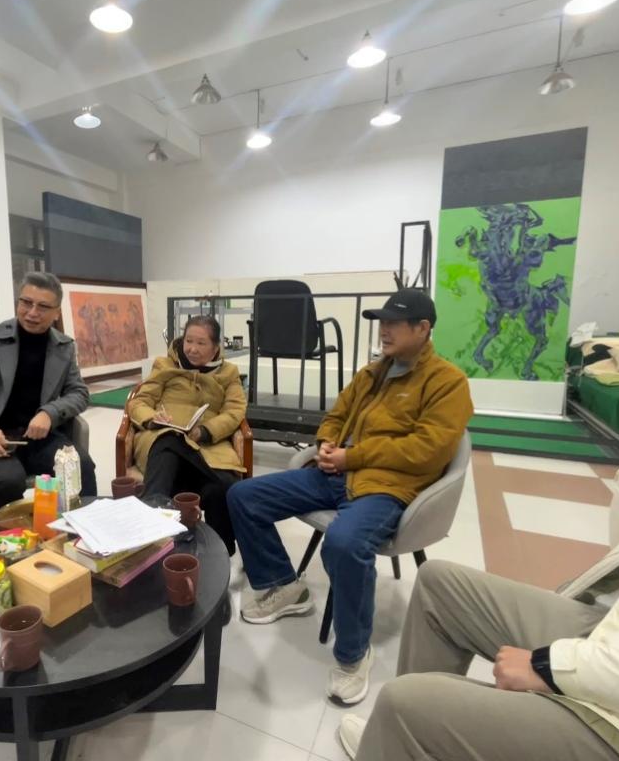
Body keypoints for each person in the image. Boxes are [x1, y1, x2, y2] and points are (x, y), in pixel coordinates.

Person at [338, 295, 619, 761]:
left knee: (403, 706)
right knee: (437, 583)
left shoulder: (444, 380)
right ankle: (408, 749)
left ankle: (407, 736)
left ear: (423, 328)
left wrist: (552, 665)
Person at [228, 289, 472, 703]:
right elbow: (337, 415)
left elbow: (428, 450)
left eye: (393, 323)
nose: (384, 330)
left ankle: (354, 654)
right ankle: (286, 586)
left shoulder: (448, 383)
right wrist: (326, 443)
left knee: (343, 543)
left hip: (387, 487)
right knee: (243, 496)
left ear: (422, 329)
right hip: (336, 474)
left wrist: (352, 456)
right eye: (382, 323)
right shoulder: (371, 374)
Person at [0, 271, 95, 506]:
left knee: (80, 466)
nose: (32, 312)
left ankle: (81, 525)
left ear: (57, 313)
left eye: (43, 307)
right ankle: (9, 531)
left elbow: (79, 393)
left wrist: (50, 413)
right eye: (26, 302)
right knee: (8, 481)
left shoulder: (63, 347)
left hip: (41, 438)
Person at [128, 315, 247, 554]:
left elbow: (235, 411)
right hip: (161, 438)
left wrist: (207, 430)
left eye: (201, 343)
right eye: (188, 341)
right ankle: (152, 522)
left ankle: (222, 551)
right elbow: (139, 401)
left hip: (207, 445)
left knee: (218, 490)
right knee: (170, 439)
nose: (192, 348)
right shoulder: (165, 365)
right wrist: (152, 418)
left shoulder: (228, 372)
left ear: (216, 347)